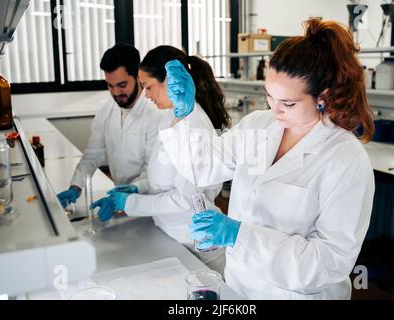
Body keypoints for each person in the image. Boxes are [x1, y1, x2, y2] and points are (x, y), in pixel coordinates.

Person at [159, 19, 375, 299]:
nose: (275, 110)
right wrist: (186, 112)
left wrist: (239, 236)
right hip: (239, 287)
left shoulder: (345, 159)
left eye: (288, 103)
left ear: (324, 97)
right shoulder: (259, 126)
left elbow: (329, 262)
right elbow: (202, 167)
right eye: (269, 96)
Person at [91, 45, 232, 274]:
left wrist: (129, 204)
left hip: (197, 246)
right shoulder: (168, 117)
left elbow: (185, 200)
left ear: (170, 81)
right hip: (171, 235)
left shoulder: (194, 125)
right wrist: (137, 188)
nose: (145, 94)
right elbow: (161, 176)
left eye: (148, 86)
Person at [57, 44, 162, 211]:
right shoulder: (106, 110)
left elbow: (153, 172)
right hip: (118, 197)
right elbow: (92, 154)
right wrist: (75, 187)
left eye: (122, 85)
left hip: (148, 201)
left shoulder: (155, 113)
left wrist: (129, 194)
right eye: (110, 86)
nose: (115, 92)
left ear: (138, 76)